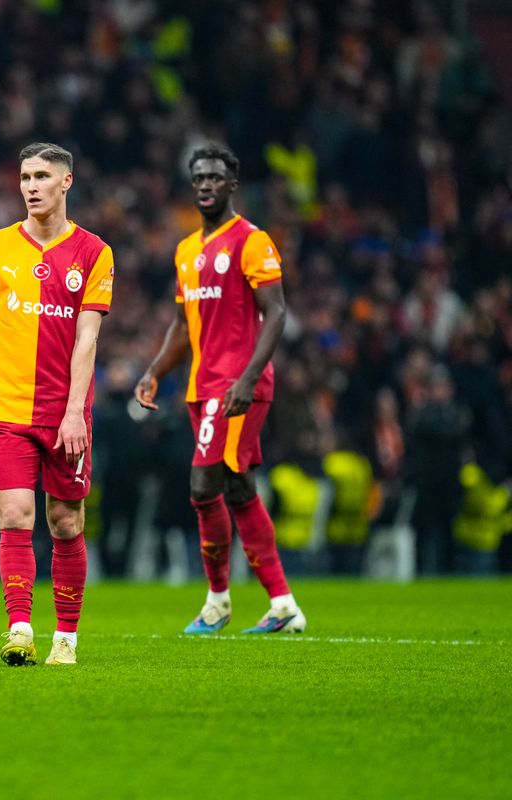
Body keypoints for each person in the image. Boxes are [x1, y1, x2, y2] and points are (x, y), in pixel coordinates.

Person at [134, 143, 307, 634]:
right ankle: (283, 606)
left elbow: (276, 312)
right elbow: (181, 326)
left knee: (202, 484)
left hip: (236, 387)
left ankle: (217, 601)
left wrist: (249, 379)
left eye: (215, 177)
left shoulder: (251, 241)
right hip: (201, 387)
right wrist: (155, 372)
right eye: (198, 179)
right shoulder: (187, 250)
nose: (206, 185)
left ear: (232, 184)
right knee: (237, 487)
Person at [0, 142, 114, 666]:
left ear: (66, 182)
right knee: (15, 515)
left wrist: (75, 412)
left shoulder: (94, 253)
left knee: (66, 523)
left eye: (42, 176)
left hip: (63, 414)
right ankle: (20, 629)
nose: (30, 186)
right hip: (3, 408)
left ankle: (66, 637)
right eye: (25, 176)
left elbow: (88, 339)